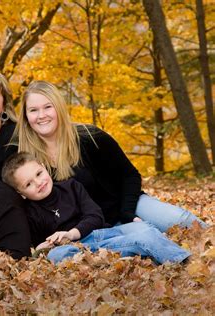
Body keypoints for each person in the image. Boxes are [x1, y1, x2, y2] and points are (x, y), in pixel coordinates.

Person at [16, 80, 207, 233]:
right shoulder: (27, 161)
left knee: (182, 221)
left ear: (58, 108)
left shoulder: (90, 137)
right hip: (90, 229)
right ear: (26, 116)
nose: (41, 115)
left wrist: (127, 213)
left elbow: (129, 175)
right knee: (146, 242)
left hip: (126, 205)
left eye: (47, 107)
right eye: (33, 110)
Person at [1, 152, 191, 264]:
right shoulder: (29, 212)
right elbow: (37, 244)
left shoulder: (71, 187)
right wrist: (43, 245)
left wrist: (72, 232)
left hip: (102, 234)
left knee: (144, 228)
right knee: (56, 255)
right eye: (28, 184)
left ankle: (182, 260)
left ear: (44, 167)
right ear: (21, 193)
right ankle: (131, 252)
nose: (39, 183)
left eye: (39, 173)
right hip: (78, 249)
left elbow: (95, 215)